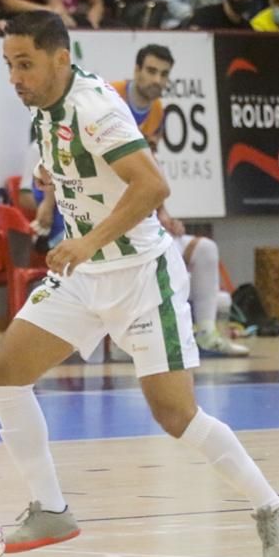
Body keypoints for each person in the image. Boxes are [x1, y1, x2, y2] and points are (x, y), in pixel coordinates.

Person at [0, 11, 279, 557]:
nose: (16, 77)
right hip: (83, 279)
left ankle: (273, 506)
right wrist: (52, 192)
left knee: (176, 416)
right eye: (9, 65)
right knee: (5, 373)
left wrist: (85, 243)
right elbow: (69, 171)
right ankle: (50, 508)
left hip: (139, 277)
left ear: (61, 58)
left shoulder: (95, 106)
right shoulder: (43, 109)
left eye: (25, 64)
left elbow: (153, 184)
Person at [110, 45, 248, 356]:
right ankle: (141, 338)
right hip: (111, 220)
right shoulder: (111, 99)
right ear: (136, 70)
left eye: (164, 74)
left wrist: (162, 213)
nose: (157, 79)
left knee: (206, 250)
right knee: (160, 259)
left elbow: (148, 173)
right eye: (151, 71)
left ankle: (205, 333)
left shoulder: (156, 110)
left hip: (143, 220)